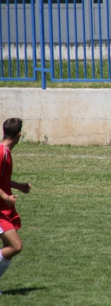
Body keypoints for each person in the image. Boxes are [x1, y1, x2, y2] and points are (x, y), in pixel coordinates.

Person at [0, 118, 31, 294]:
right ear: (19, 134)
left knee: (10, 249)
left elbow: (2, 179)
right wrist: (6, 197)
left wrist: (18, 185)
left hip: (4, 208)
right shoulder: (1, 152)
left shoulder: (6, 152)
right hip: (0, 210)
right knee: (15, 246)